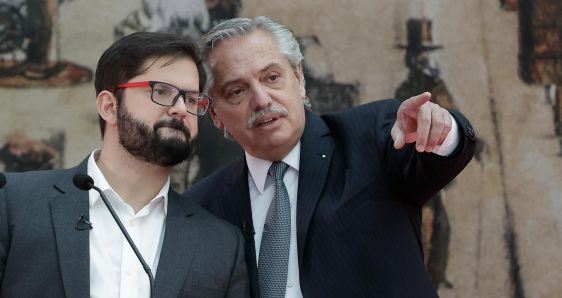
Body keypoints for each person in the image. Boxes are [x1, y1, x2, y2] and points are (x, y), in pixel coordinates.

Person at [184, 16, 476, 298]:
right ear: (216, 115)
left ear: (299, 79)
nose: (261, 100)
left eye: (272, 77)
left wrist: (442, 130)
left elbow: (438, 160)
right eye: (237, 91)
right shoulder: (201, 208)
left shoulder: (369, 137)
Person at [0, 32, 249, 297]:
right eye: (161, 91)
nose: (180, 109)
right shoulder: (14, 204)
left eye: (191, 99)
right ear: (109, 106)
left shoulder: (221, 244)